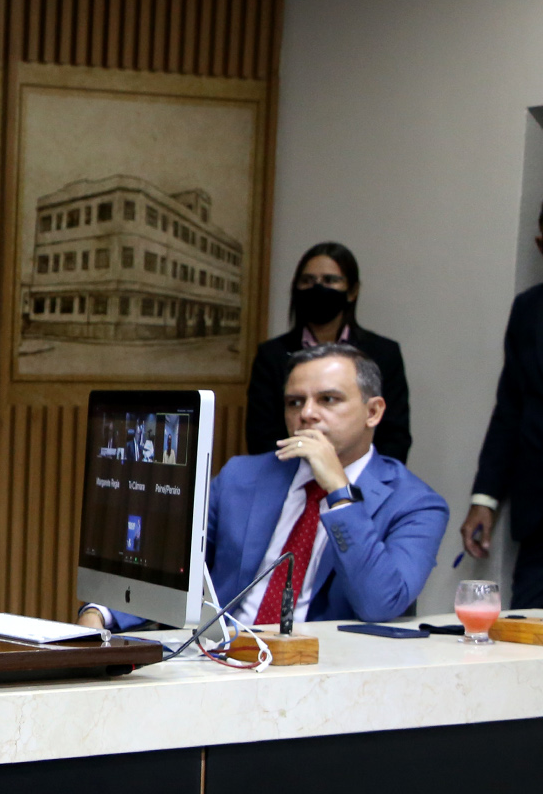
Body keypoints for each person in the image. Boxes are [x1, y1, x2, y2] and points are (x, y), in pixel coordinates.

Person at [81, 344, 445, 631]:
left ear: (373, 412)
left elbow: (379, 604)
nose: (307, 414)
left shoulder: (416, 504)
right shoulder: (242, 476)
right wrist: (101, 614)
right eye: (295, 402)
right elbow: (171, 566)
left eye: (328, 399)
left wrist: (338, 489)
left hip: (323, 671)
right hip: (220, 655)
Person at [245, 242, 411, 462]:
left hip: (363, 476)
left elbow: (394, 436)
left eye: (330, 280)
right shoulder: (272, 355)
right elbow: (261, 436)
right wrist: (303, 474)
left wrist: (350, 477)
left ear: (352, 291)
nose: (318, 288)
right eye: (308, 280)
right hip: (289, 473)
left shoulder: (383, 353)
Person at [460, 201, 543, 610]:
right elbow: (509, 410)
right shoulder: (529, 310)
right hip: (539, 522)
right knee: (527, 632)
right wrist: (486, 497)